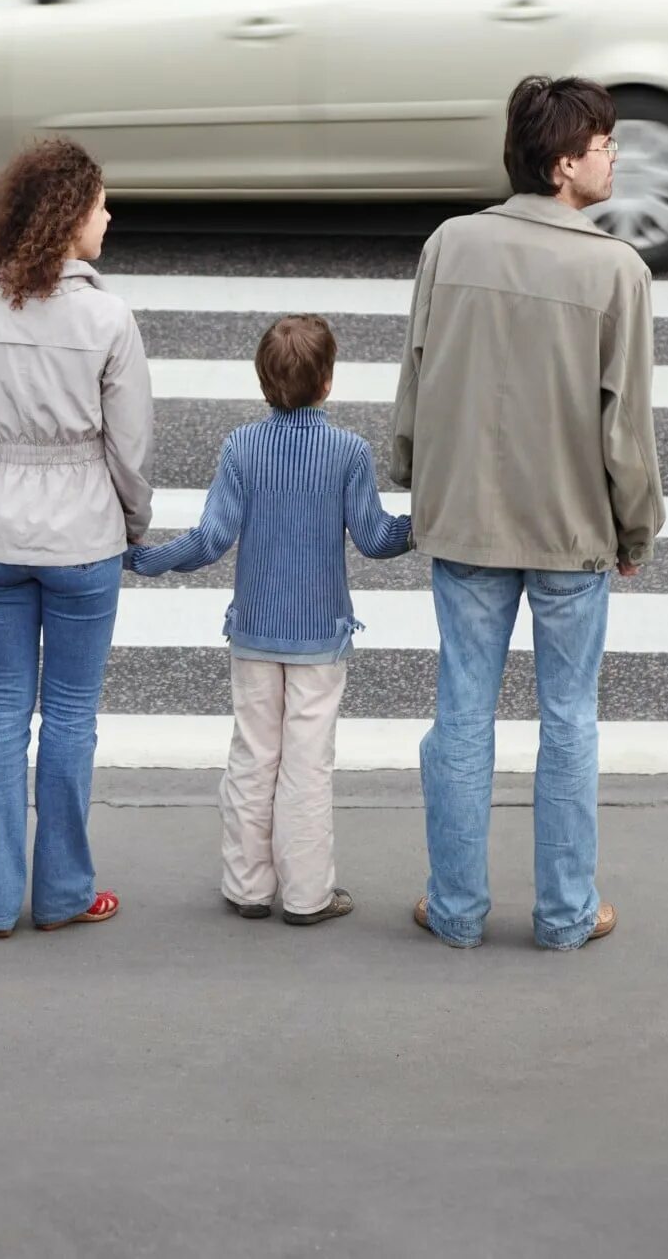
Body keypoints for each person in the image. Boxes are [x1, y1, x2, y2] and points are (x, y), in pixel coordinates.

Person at [390, 74, 665, 951]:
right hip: (571, 530)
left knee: (462, 712)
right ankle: (564, 912)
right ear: (562, 165)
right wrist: (635, 529)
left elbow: (416, 381)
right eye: (603, 142)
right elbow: (625, 426)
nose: (614, 153)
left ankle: (458, 908)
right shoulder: (615, 269)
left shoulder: (450, 245)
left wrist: (412, 475)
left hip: (467, 517)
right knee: (569, 718)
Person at [0, 139, 153, 939]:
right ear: (69, 220)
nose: (108, 216)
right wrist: (133, 524)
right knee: (69, 717)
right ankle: (62, 891)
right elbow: (130, 449)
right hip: (84, 537)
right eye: (98, 204)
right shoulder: (109, 318)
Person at [128, 314, 410, 926]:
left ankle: (247, 887)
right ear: (328, 381)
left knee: (253, 757)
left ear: (261, 381)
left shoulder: (241, 447)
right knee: (308, 765)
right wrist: (432, 520)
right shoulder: (348, 452)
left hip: (254, 630)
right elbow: (376, 538)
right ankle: (308, 895)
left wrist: (144, 560)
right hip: (320, 635)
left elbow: (210, 540)